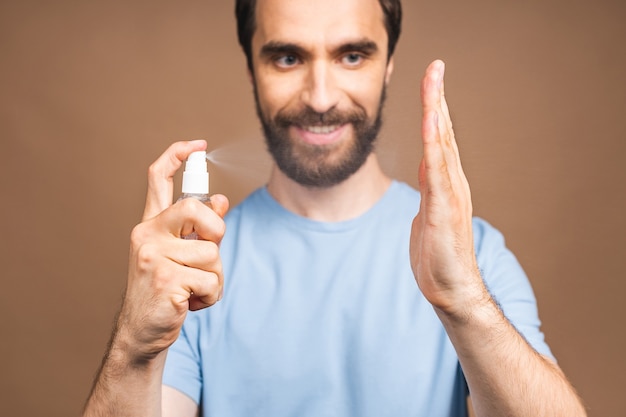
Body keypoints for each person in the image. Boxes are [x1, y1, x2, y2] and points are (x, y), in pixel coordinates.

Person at [83, 0, 587, 415]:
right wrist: (135, 346)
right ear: (251, 65)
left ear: (388, 64)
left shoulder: (474, 257)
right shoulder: (193, 271)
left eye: (351, 56)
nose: (321, 98)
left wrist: (464, 302)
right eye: (287, 58)